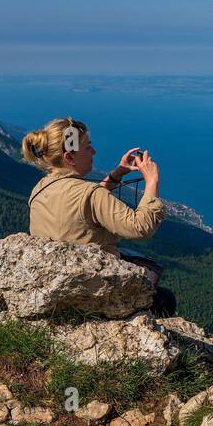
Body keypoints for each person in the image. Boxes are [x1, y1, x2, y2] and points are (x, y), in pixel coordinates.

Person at [22, 117, 176, 316]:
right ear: (69, 158)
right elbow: (140, 227)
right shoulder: (91, 194)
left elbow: (81, 205)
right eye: (88, 147)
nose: (94, 152)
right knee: (166, 300)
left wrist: (115, 176)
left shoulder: (40, 189)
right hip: (90, 289)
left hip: (53, 283)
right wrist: (152, 180)